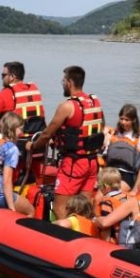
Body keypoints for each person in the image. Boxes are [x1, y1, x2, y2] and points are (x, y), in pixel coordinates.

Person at [27, 65, 104, 221]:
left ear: (69, 82)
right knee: (84, 205)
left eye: (63, 80)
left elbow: (47, 133)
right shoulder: (94, 102)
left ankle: (66, 238)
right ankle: (86, 234)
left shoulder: (67, 106)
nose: (62, 83)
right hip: (91, 162)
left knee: (58, 207)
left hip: (73, 164)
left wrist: (33, 146)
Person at [102, 104, 140, 190]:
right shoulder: (114, 133)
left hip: (127, 175)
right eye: (121, 119)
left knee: (113, 193)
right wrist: (104, 136)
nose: (123, 122)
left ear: (134, 120)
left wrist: (135, 190)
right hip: (110, 173)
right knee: (98, 198)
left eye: (127, 120)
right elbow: (103, 154)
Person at [0, 61, 45, 130]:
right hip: (36, 135)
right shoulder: (33, 91)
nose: (2, 78)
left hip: (15, 137)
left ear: (12, 77)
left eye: (3, 75)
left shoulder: (2, 94)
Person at [92, 166, 125, 243]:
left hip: (113, 241)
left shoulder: (106, 201)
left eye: (100, 186)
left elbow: (106, 227)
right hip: (125, 238)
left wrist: (104, 243)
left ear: (106, 187)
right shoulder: (126, 197)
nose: (98, 188)